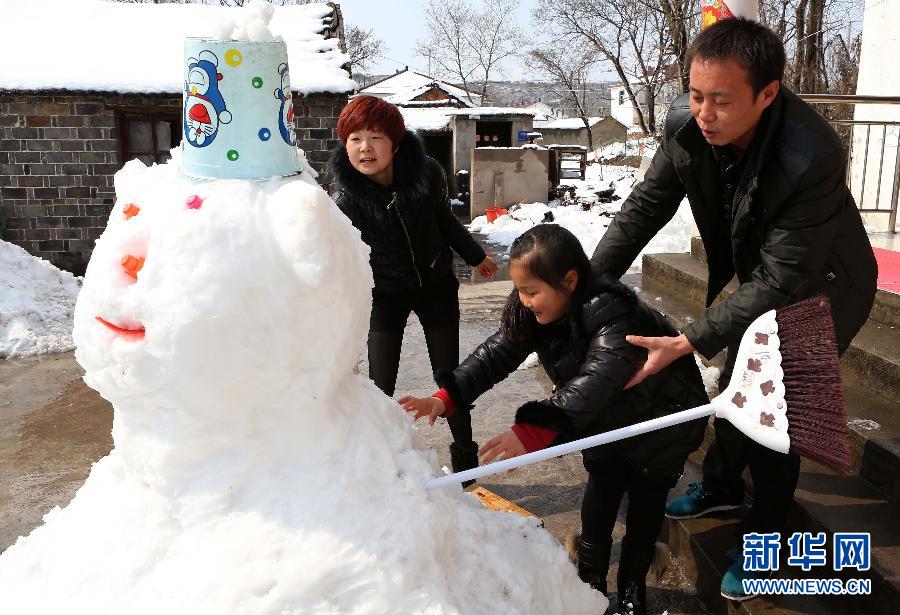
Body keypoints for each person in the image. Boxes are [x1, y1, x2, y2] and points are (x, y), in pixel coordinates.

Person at [589, 18, 878, 600]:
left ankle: (765, 549)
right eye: (696, 95)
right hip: (766, 276)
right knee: (735, 382)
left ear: (767, 94)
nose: (704, 112)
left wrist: (689, 338)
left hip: (824, 284)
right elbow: (644, 209)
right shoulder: (687, 128)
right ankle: (722, 484)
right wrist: (588, 287)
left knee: (779, 412)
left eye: (721, 100)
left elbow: (785, 274)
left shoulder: (813, 153)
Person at [400, 225, 708, 615]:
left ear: (570, 280)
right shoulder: (538, 312)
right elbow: (495, 354)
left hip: (661, 422)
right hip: (605, 421)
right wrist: (447, 397)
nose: (525, 301)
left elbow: (601, 376)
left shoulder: (610, 310)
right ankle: (591, 586)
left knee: (646, 504)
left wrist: (533, 429)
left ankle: (632, 590)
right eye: (520, 291)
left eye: (532, 291)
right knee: (601, 491)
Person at [329, 95, 498, 480]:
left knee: (448, 375)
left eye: (374, 137)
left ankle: (465, 464)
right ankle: (385, 465)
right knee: (380, 383)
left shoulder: (427, 173)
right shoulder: (345, 199)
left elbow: (445, 220)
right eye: (354, 138)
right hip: (385, 294)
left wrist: (474, 256)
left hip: (436, 283)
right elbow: (336, 259)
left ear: (396, 141)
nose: (364, 148)